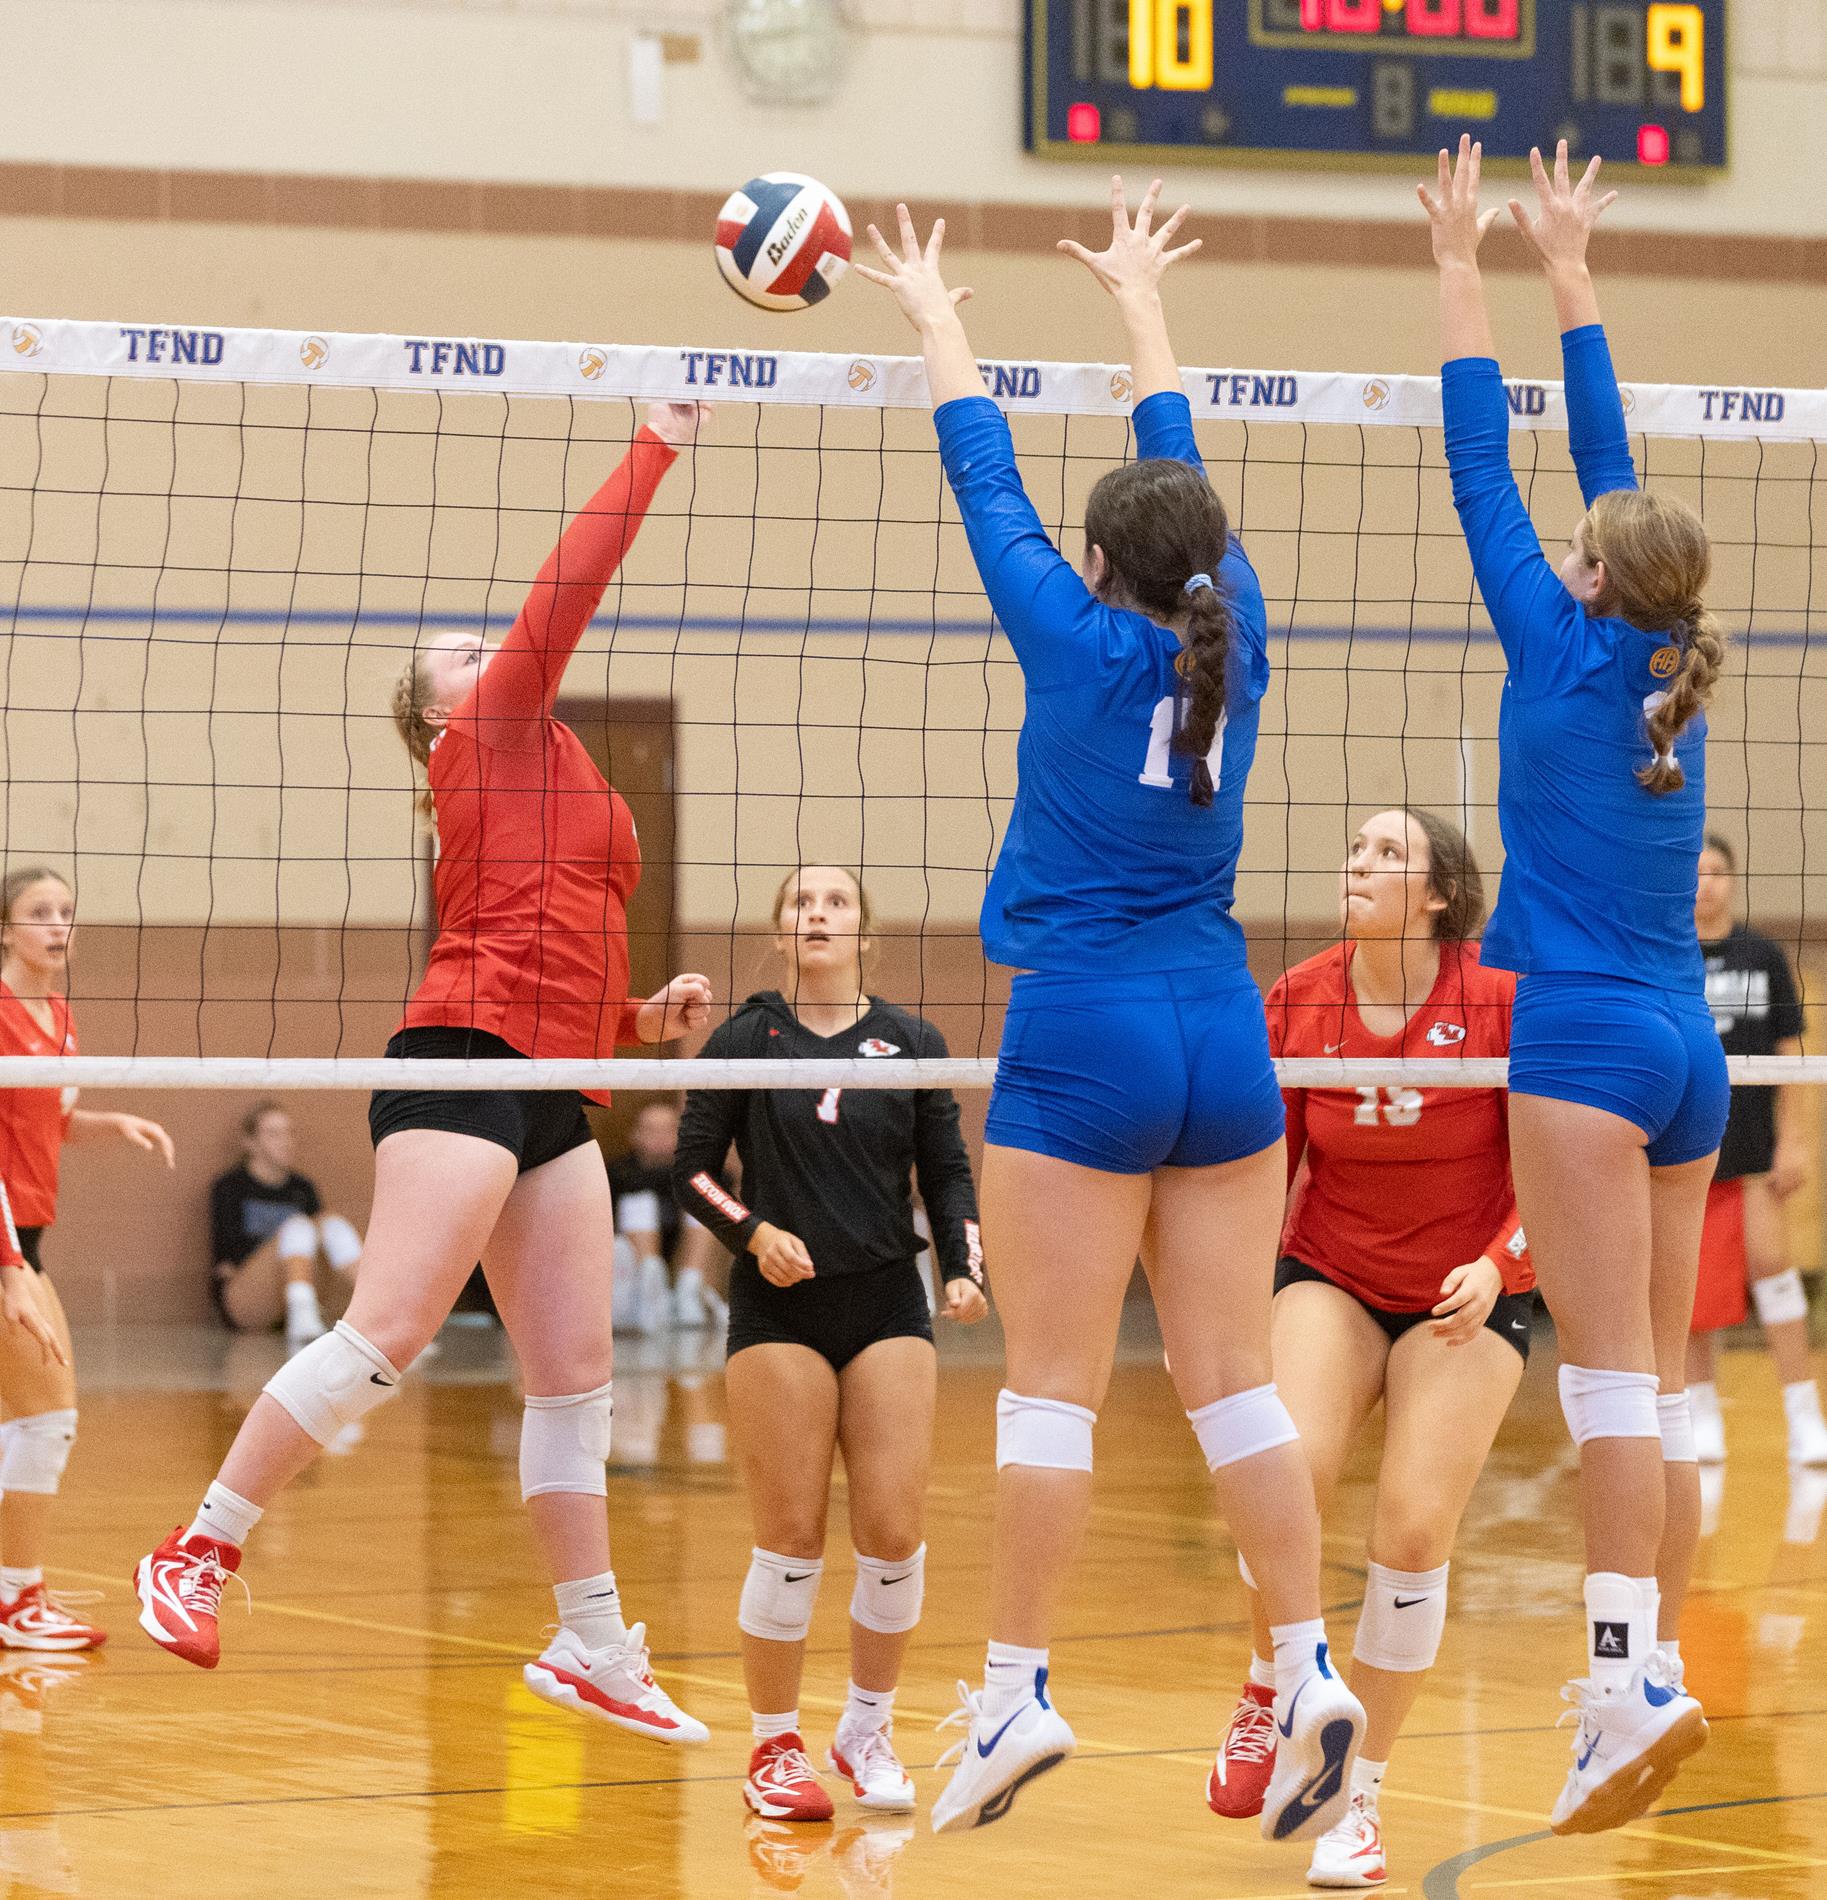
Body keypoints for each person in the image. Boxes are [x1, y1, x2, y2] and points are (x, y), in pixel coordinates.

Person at [858, 179, 1365, 1842]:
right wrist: (1142, 303)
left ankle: (1010, 1692)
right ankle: (1302, 1664)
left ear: (1096, 565)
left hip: (1082, 1028)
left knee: (1050, 1392)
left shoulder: (1074, 644)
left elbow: (973, 463)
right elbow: (1165, 467)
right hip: (1221, 1030)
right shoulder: (1248, 633)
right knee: (1227, 1383)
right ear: (1208, 561)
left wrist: (940, 318)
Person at [133, 405, 718, 1748]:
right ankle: (198, 1550)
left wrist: (635, 1017)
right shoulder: (488, 737)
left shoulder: (562, 764)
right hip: (458, 1058)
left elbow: (558, 938)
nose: (482, 648)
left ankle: (589, 1641)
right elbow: (564, 592)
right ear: (440, 710)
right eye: (456, 653)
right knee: (386, 1335)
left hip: (556, 1083)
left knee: (577, 1379)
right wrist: (653, 442)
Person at [1422, 138, 1726, 1833]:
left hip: (1586, 1046)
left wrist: (1471, 257)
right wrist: (1566, 273)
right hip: (1682, 1046)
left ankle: (1620, 1685)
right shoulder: (1661, 664)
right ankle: (1651, 1662)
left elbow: (1483, 453)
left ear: (1598, 571)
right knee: (1654, 1382)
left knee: (1608, 1382)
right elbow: (1590, 468)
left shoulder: (1553, 640)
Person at [1206, 808, 1535, 1890]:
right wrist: (1223, 1303)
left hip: (1471, 1290)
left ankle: (1363, 1799)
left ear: (1439, 893)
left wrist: (1498, 1262)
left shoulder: (1500, 996)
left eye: (1388, 853)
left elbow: (1554, 1167)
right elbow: (1265, 1165)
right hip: (1335, 1271)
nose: (1358, 862)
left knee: (1411, 1530)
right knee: (1286, 1473)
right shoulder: (1300, 997)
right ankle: (1270, 1681)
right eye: (1352, 846)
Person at [673, 865, 988, 1823]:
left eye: (836, 903)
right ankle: (773, 1748)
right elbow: (692, 1170)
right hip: (780, 1313)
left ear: (862, 932)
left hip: (888, 1298)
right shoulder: (744, 1038)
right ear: (779, 930)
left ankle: (866, 1727)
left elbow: (945, 1169)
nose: (818, 914)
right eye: (801, 903)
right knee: (792, 1538)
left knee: (892, 1533)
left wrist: (965, 1264)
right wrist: (752, 1233)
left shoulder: (914, 1040)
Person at [0, 866, 176, 1652]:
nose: (57, 925)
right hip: (5, 1246)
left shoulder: (60, 1015)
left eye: (66, 912)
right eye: (39, 913)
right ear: (5, 930)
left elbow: (52, 1124)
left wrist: (115, 1123)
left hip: (25, 1240)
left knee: (29, 1417)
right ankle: (15, 1601)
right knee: (48, 1418)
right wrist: (9, 1270)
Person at [1688, 835, 1827, 1466]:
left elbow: (1791, 1056)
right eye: (1694, 873)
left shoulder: (1762, 954)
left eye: (1716, 872)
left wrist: (1794, 1142)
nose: (1705, 884)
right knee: (1685, 1289)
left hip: (1750, 1150)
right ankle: (1700, 1417)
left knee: (1772, 1271)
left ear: (1733, 881)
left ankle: (1805, 1418)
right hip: (1683, 1152)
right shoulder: (1664, 955)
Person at [209, 1101, 364, 1345]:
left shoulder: (302, 1189)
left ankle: (377, 1305)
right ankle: (301, 1311)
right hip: (247, 1299)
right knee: (299, 1226)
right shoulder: (231, 1187)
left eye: (288, 1133)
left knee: (332, 1224)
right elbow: (227, 1260)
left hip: (301, 1290)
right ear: (250, 1142)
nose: (285, 1140)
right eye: (273, 1134)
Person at [609, 1099, 726, 1334]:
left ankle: (690, 1287)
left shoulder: (699, 1169)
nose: (660, 1138)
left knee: (703, 1197)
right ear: (635, 1135)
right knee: (640, 1200)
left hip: (685, 1256)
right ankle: (649, 1280)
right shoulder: (619, 1172)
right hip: (632, 1259)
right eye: (651, 1130)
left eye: (668, 1130)